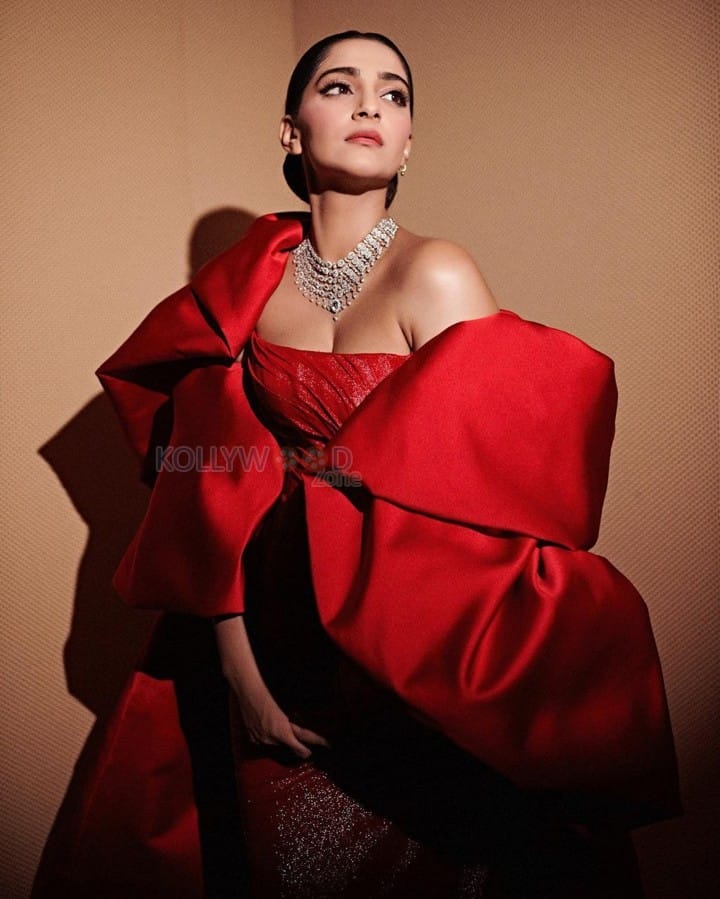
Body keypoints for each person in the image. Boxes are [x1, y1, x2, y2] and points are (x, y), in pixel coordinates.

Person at [32, 30, 682, 899]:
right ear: (291, 131)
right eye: (339, 86)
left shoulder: (437, 275)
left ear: (408, 142)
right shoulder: (247, 287)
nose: (371, 103)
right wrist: (239, 672)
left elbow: (493, 495)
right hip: (279, 643)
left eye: (394, 93)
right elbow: (211, 486)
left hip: (411, 659)